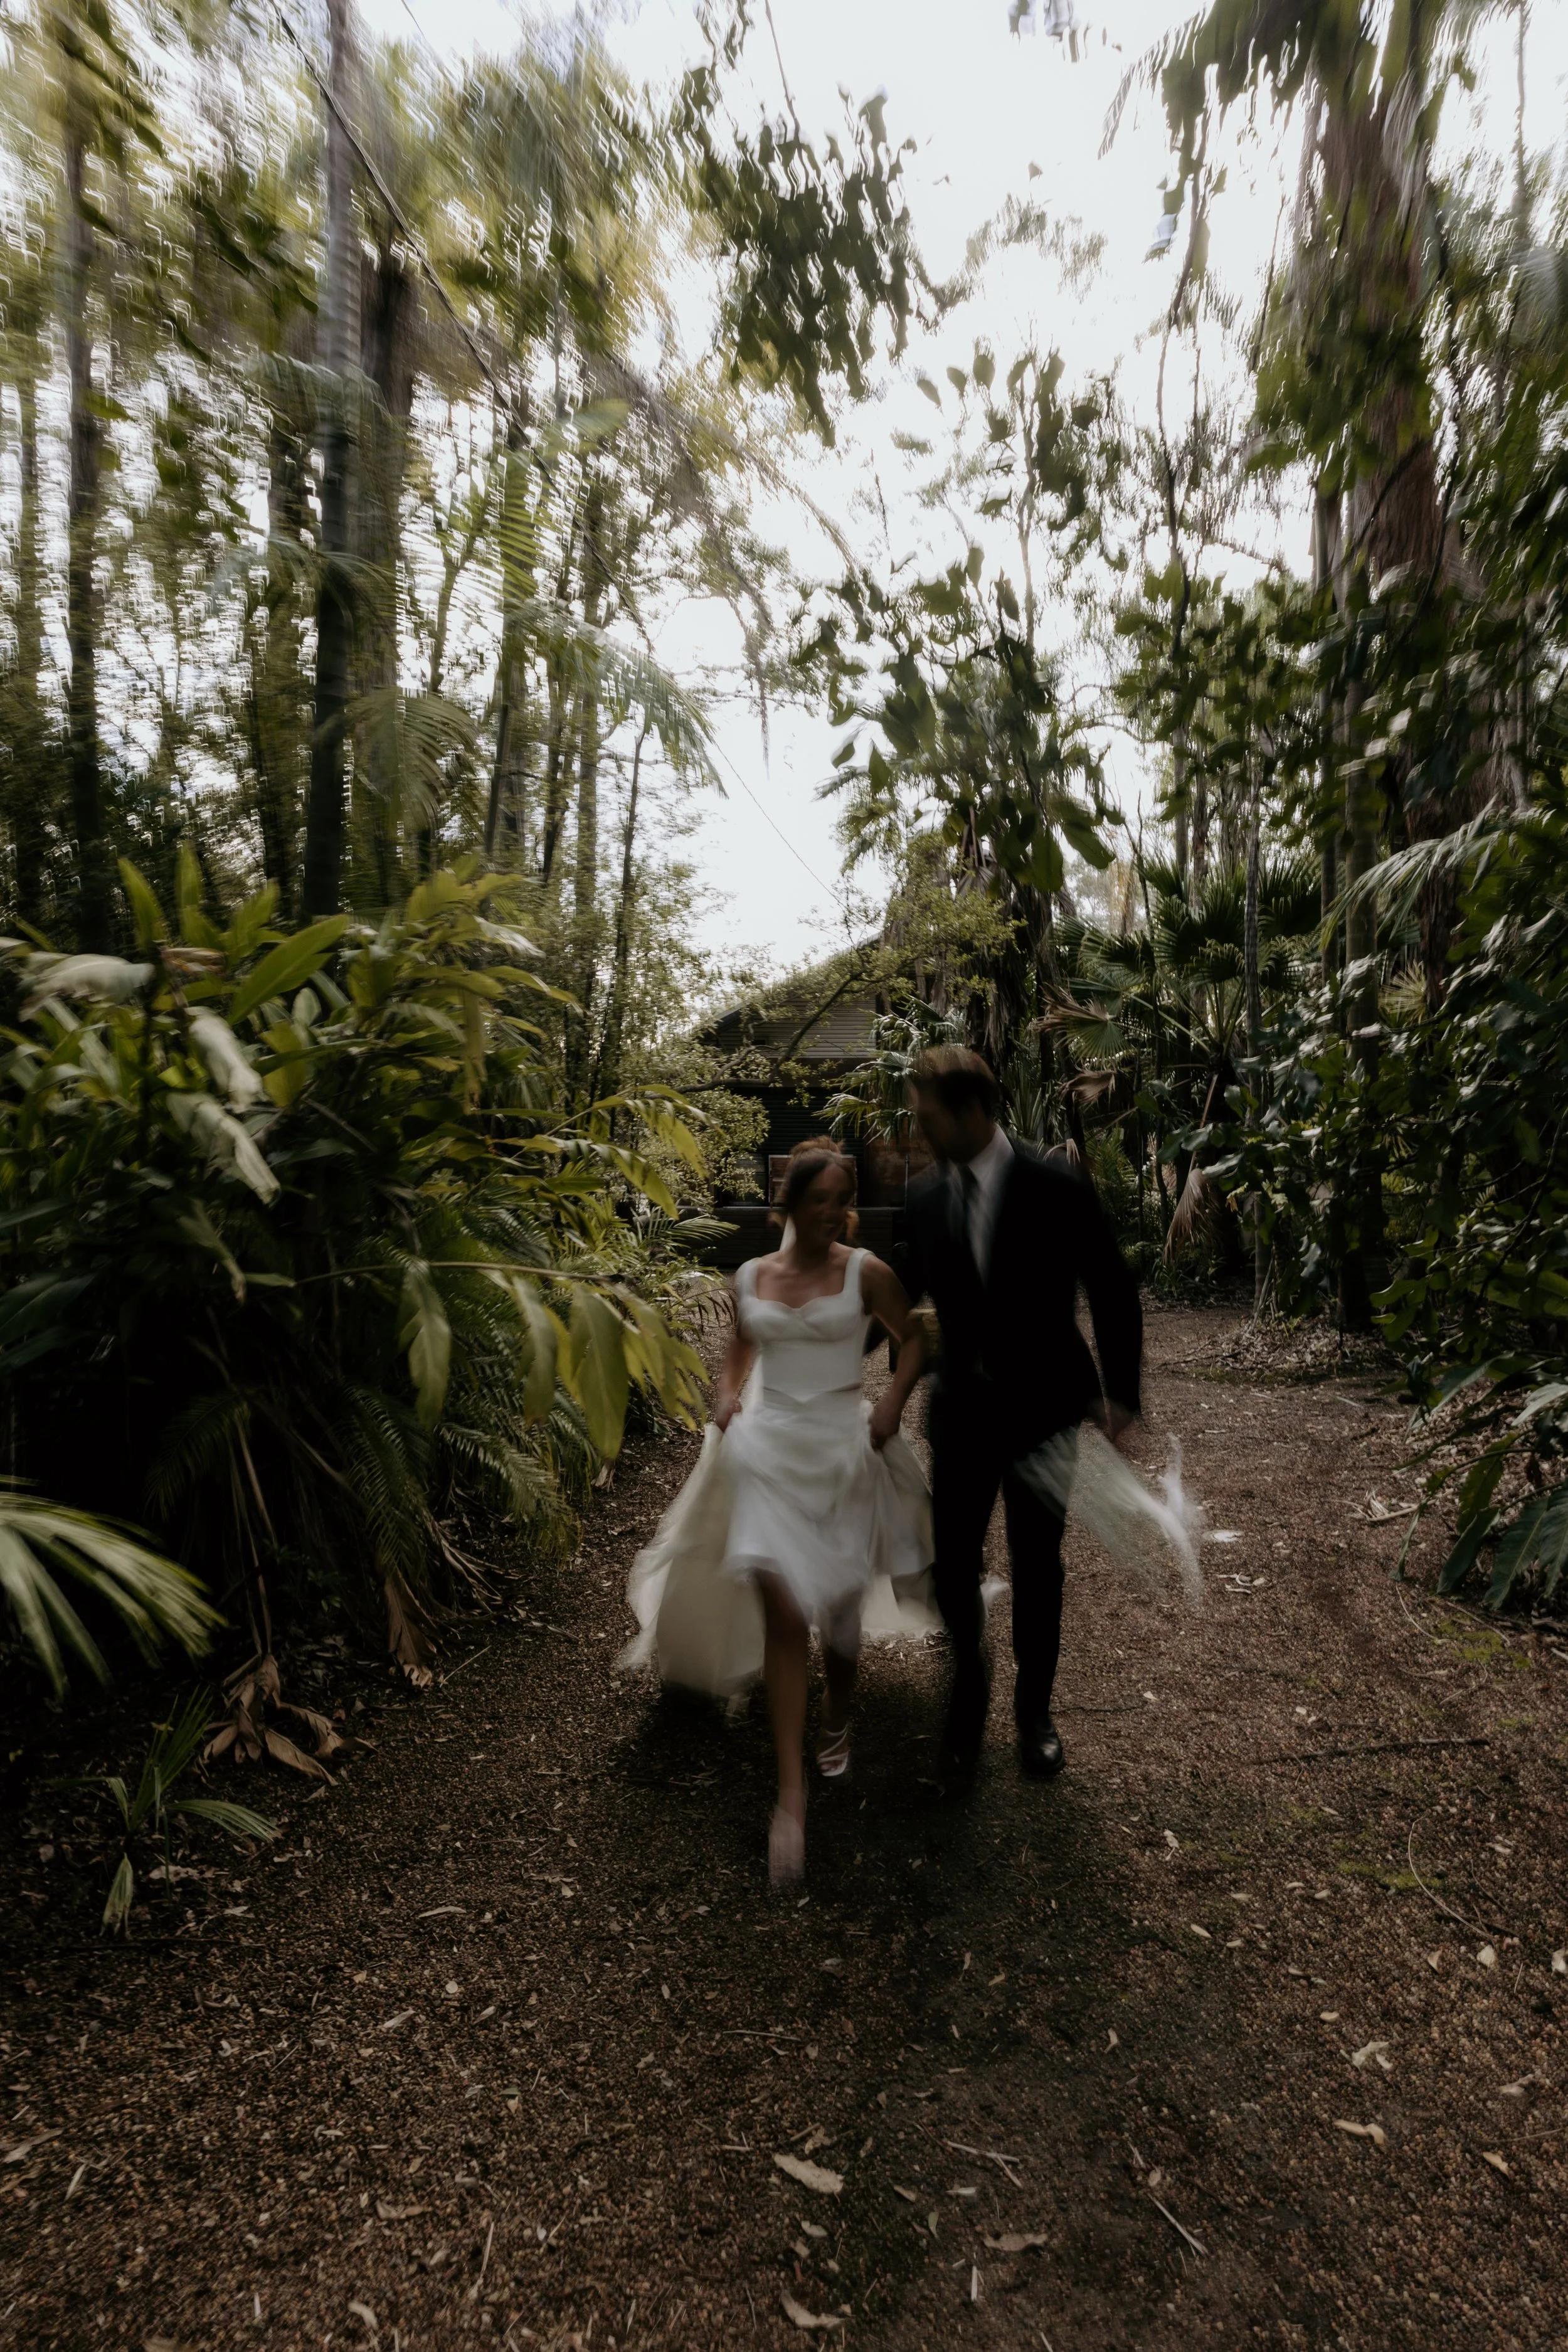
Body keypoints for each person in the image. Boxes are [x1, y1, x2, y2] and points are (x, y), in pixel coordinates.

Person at [622, 1142, 936, 1889]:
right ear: (790, 1203)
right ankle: (790, 1796)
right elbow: (739, 1349)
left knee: (839, 1614)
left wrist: (892, 1400)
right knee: (786, 1613)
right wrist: (727, 1396)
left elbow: (916, 1338)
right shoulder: (751, 1276)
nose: (831, 1212)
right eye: (817, 1199)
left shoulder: (866, 1271)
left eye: (841, 1198)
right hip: (769, 1454)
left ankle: (838, 1712)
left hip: (842, 1450)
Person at [901, 1047, 1143, 1779]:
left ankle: (1033, 1714)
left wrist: (1121, 1393)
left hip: (1043, 1412)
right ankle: (968, 1697)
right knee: (951, 1572)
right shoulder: (923, 1198)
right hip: (962, 1415)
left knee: (1038, 1568)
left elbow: (1110, 1286)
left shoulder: (1055, 1184)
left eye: (928, 1118)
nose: (919, 1134)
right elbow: (905, 1300)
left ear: (972, 1110)